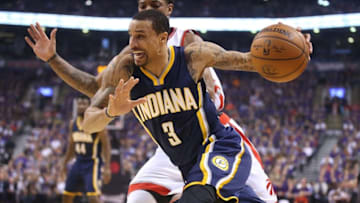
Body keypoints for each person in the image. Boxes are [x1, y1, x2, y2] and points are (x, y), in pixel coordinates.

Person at [79, 9, 311, 202]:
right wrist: (111, 112)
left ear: (162, 38)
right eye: (130, 36)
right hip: (187, 165)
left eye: (140, 36)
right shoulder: (126, 71)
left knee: (194, 197)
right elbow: (88, 123)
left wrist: (290, 46)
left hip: (220, 147)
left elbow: (248, 60)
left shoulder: (192, 58)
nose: (132, 44)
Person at [61, 97, 112, 203]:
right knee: (66, 195)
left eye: (84, 104)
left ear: (90, 106)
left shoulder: (98, 123)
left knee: (93, 197)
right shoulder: (73, 123)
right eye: (79, 104)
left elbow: (106, 146)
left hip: (92, 163)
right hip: (78, 162)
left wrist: (107, 167)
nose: (81, 106)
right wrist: (64, 163)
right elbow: (71, 146)